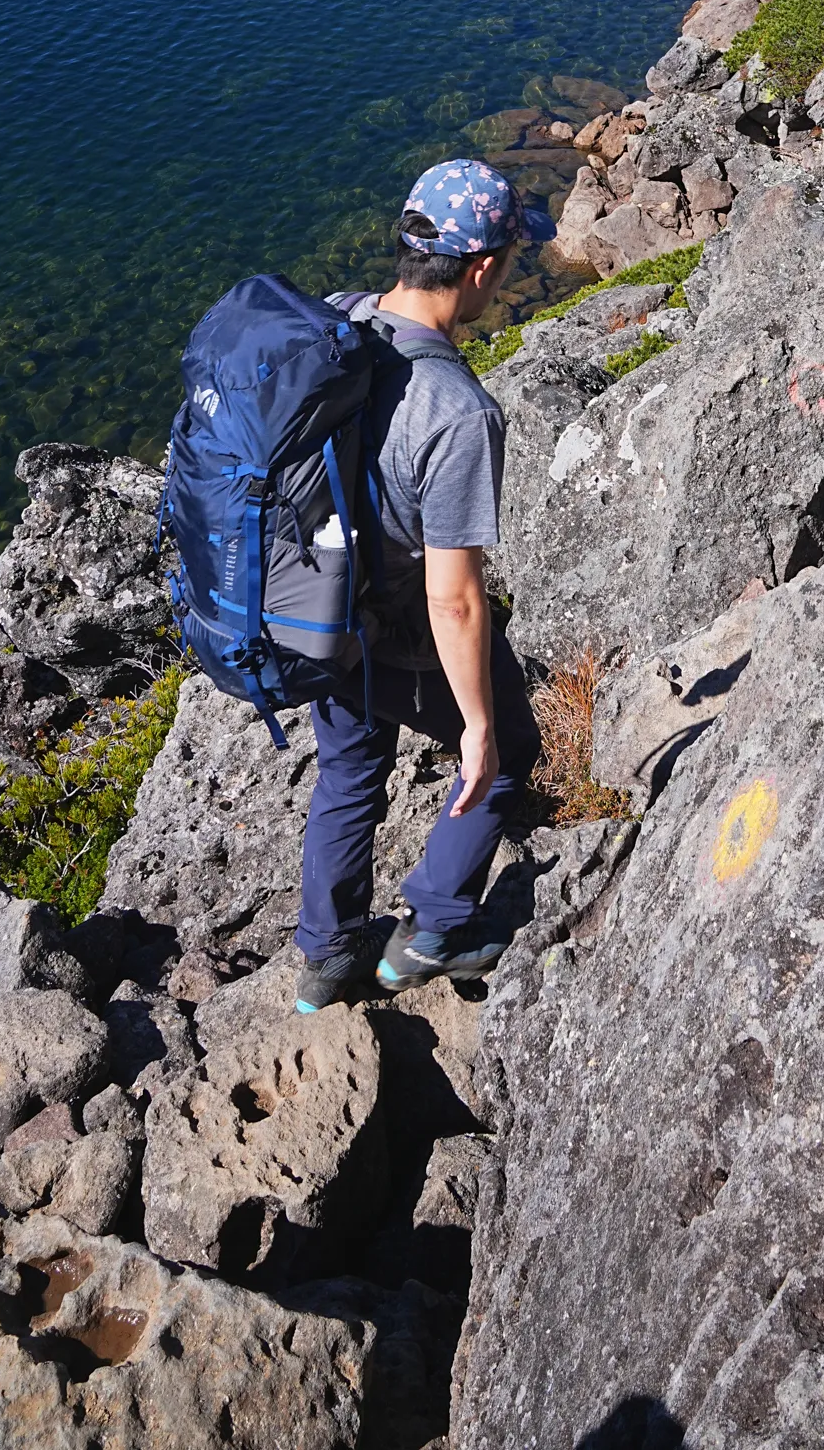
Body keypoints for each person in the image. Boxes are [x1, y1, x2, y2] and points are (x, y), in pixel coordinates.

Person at [293, 160, 551, 1014]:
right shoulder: (456, 410)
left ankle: (327, 960)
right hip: (402, 629)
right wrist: (474, 725)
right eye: (511, 260)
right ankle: (433, 931)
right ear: (481, 271)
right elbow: (455, 599)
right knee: (507, 748)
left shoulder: (337, 323)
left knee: (349, 771)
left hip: (319, 613)